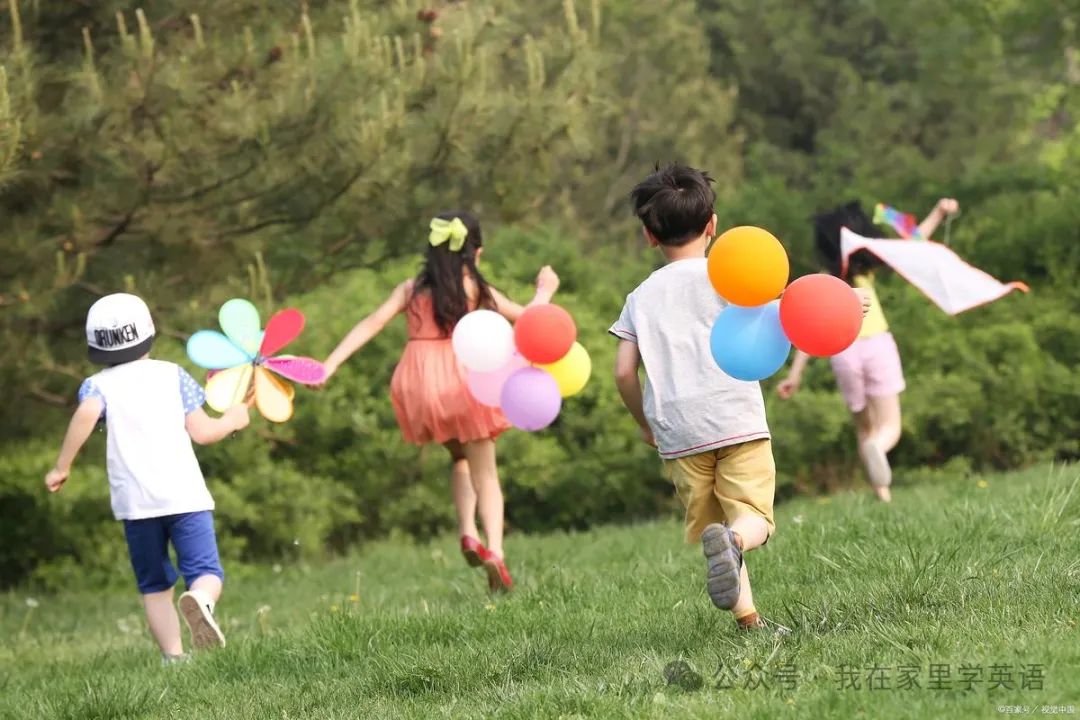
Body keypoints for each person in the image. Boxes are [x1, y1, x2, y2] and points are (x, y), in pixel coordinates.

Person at [321, 211, 559, 592]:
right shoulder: (476, 290)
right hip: (464, 379)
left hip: (419, 384)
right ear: (475, 253)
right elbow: (529, 319)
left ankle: (467, 532)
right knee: (486, 473)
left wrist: (329, 364)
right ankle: (494, 550)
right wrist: (545, 290)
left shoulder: (411, 289)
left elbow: (371, 323)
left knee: (459, 457)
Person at [609, 163, 781, 631]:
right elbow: (782, 315)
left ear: (649, 235)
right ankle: (737, 544)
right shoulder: (729, 276)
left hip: (678, 430)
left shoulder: (639, 297)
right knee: (751, 520)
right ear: (713, 225)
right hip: (736, 416)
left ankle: (750, 622)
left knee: (717, 528)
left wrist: (644, 422)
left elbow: (624, 370)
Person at [44, 293, 251, 663]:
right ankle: (201, 599)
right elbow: (203, 433)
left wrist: (63, 466)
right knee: (205, 570)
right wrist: (234, 419)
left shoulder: (97, 387)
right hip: (185, 496)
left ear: (97, 347)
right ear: (150, 333)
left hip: (136, 505)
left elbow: (87, 413)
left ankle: (174, 658)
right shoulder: (173, 375)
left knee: (154, 588)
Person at [776, 198, 960, 502]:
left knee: (864, 427)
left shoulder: (826, 282)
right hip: (877, 345)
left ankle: (882, 495)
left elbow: (812, 330)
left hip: (843, 352)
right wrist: (939, 213)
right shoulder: (868, 266)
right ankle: (881, 448)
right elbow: (913, 243)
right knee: (889, 427)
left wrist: (794, 376)